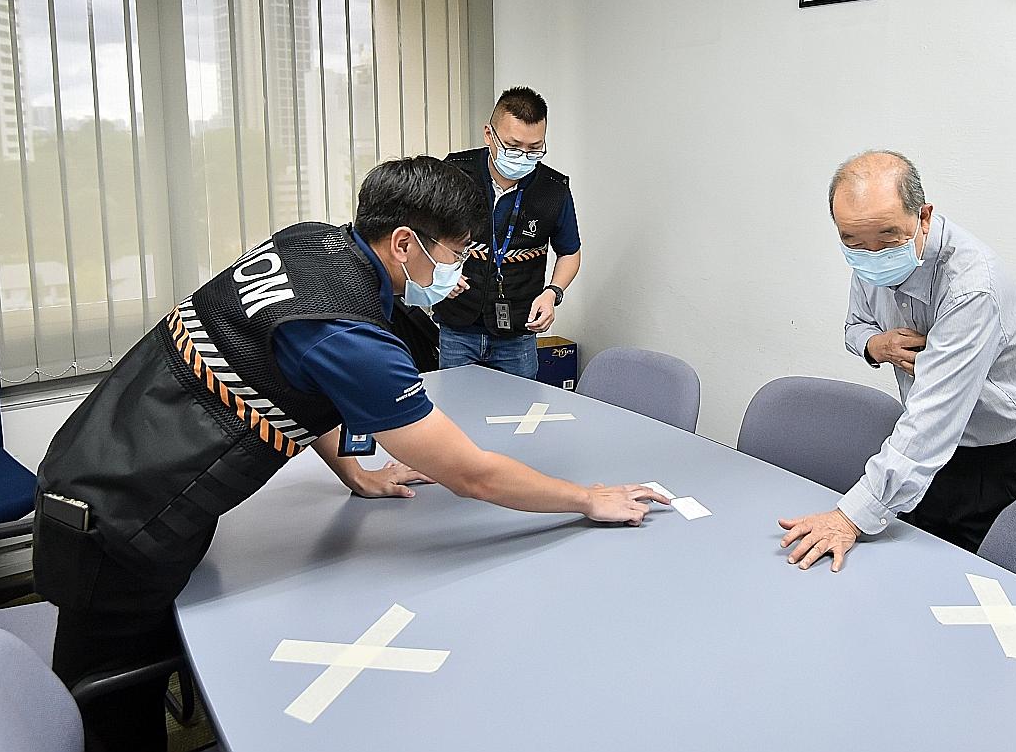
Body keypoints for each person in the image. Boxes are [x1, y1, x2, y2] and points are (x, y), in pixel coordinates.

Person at [32, 156, 664, 752]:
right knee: (110, 711)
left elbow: (290, 375)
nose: (462, 273)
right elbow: (472, 474)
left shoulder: (311, 244)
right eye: (457, 254)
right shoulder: (349, 333)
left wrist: (354, 471)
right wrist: (587, 498)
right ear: (405, 243)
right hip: (121, 514)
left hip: (106, 460)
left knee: (134, 672)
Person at [778, 150, 1016, 571]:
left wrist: (848, 517)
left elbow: (934, 415)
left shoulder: (972, 287)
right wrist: (875, 345)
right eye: (852, 241)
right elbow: (856, 325)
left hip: (1012, 456)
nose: (871, 254)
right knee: (915, 573)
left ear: (924, 216)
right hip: (934, 453)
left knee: (990, 586)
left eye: (887, 237)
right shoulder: (870, 257)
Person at [435, 87, 580, 377]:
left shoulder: (553, 190)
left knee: (519, 405)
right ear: (489, 135)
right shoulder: (454, 174)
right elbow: (422, 236)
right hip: (458, 327)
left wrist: (553, 293)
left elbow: (570, 252)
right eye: (513, 147)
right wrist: (439, 274)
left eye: (534, 148)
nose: (523, 156)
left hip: (518, 333)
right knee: (455, 403)